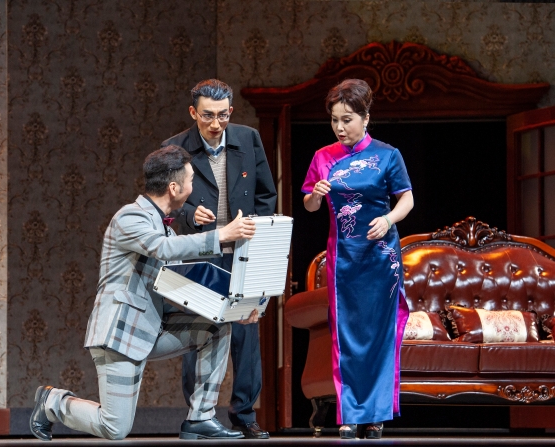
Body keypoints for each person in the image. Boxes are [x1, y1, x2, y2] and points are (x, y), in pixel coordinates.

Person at [29, 145, 260, 441]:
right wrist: (222, 235)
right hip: (120, 335)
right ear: (174, 187)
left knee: (217, 328)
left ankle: (201, 418)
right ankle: (51, 402)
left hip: (151, 330)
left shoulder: (166, 230)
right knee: (115, 427)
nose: (193, 187)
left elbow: (187, 283)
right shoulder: (130, 217)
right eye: (191, 180)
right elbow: (162, 249)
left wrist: (233, 310)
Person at [161, 79, 277, 439]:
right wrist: (189, 213)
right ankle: (198, 414)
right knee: (199, 335)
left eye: (223, 115)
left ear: (231, 111)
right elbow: (165, 203)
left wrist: (258, 240)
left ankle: (244, 415)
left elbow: (266, 195)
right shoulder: (175, 149)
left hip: (242, 255)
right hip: (202, 256)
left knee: (246, 337)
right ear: (193, 112)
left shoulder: (248, 138)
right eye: (208, 115)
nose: (216, 124)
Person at [302, 79, 414, 440]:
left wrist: (388, 219)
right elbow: (309, 205)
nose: (340, 127)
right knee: (346, 335)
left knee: (380, 335)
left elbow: (407, 199)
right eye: (334, 120)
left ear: (366, 118)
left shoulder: (388, 155)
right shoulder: (323, 157)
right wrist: (316, 196)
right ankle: (349, 414)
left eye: (347, 120)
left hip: (381, 258)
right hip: (344, 258)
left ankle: (376, 416)